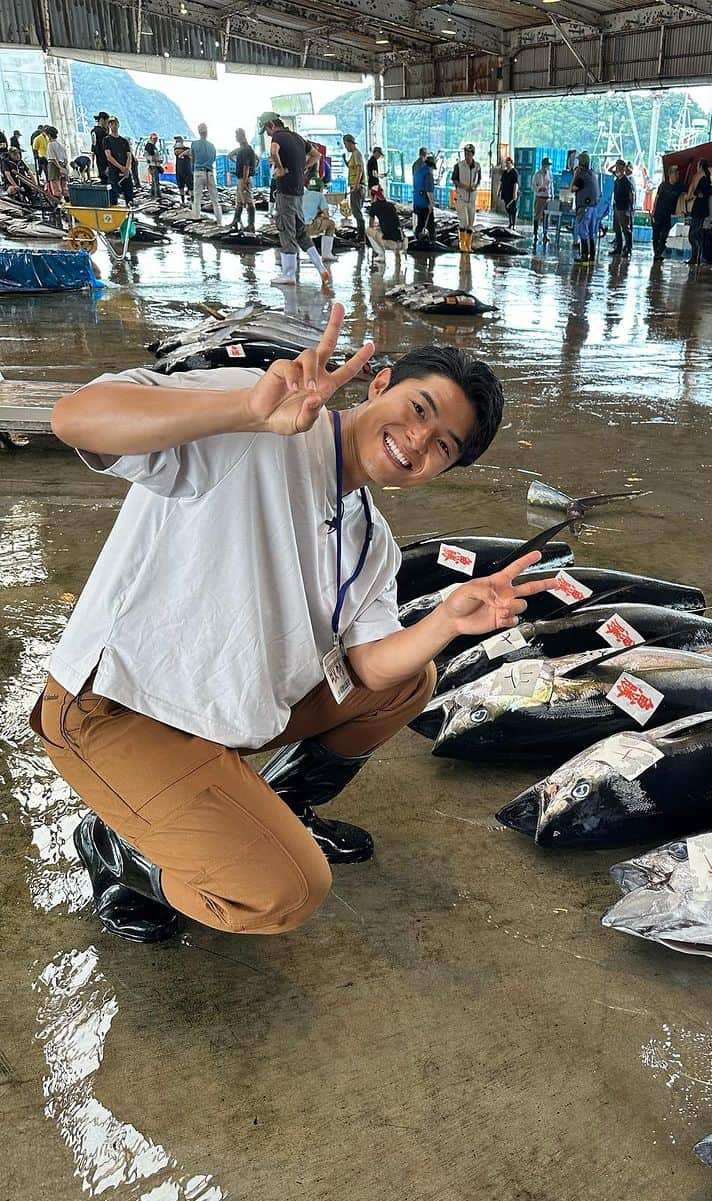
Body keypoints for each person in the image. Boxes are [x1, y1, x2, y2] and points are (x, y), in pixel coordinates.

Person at [36, 305, 543, 945]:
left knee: (410, 680)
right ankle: (119, 848)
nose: (419, 440)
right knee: (284, 893)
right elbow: (74, 418)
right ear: (380, 385)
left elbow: (366, 669)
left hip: (223, 716)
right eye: (420, 409)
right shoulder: (261, 417)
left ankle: (279, 807)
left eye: (444, 444)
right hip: (119, 710)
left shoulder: (372, 540)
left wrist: (445, 620)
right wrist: (243, 410)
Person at [262, 115, 331, 290]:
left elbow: (273, 151)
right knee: (301, 232)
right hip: (299, 191)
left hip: (285, 191)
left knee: (287, 230)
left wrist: (280, 168)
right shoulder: (298, 138)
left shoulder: (278, 137)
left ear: (272, 125)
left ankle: (289, 274)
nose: (269, 135)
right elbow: (317, 155)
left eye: (267, 130)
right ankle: (321, 268)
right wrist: (303, 168)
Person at [570, 151, 600, 263]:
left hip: (584, 207)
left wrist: (575, 175)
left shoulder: (581, 176)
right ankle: (592, 257)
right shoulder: (593, 174)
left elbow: (572, 189)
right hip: (594, 207)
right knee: (592, 232)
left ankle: (584, 257)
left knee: (583, 231)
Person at [366, 187, 405, 271]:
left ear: (374, 197)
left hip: (389, 243)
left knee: (368, 230)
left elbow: (370, 225)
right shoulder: (390, 205)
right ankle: (397, 257)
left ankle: (381, 255)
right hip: (403, 243)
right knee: (386, 230)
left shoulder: (374, 206)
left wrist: (376, 227)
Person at [451, 142, 480, 252]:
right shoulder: (459, 166)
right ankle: (462, 245)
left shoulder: (477, 166)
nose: (467, 156)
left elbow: (479, 179)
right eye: (465, 154)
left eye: (469, 154)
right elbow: (454, 180)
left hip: (472, 199)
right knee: (464, 221)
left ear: (473, 154)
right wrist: (464, 187)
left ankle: (468, 245)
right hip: (461, 198)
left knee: (471, 222)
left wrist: (475, 186)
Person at [192, 123, 222, 223]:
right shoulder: (212, 146)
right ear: (207, 132)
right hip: (210, 173)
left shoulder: (194, 144)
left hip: (198, 173)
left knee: (197, 200)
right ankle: (219, 222)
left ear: (199, 132)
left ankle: (196, 221)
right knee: (215, 200)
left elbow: (193, 158)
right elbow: (213, 159)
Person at [229, 128, 259, 231]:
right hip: (240, 179)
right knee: (239, 201)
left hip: (244, 179)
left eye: (236, 135)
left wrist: (246, 179)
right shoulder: (244, 148)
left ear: (240, 136)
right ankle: (236, 221)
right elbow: (256, 160)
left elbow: (246, 166)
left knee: (248, 201)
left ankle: (251, 225)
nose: (235, 137)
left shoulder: (245, 149)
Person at [651, 164, 682, 262]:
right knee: (656, 234)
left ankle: (659, 252)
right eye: (676, 174)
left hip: (669, 215)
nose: (677, 177)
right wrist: (653, 211)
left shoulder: (679, 187)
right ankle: (657, 252)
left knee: (664, 235)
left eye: (678, 175)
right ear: (671, 175)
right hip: (659, 213)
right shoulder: (663, 185)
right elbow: (657, 198)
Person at [688, 158, 712, 266]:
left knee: (693, 234)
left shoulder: (704, 179)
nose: (696, 167)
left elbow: (697, 192)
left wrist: (698, 193)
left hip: (699, 211)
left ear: (701, 167)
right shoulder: (705, 179)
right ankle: (695, 257)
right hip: (699, 211)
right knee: (695, 233)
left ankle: (696, 257)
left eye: (698, 165)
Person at [104, 118, 134, 206]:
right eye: (111, 124)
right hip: (114, 172)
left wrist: (127, 169)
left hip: (126, 173)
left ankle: (130, 214)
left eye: (115, 123)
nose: (114, 126)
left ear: (118, 124)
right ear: (109, 126)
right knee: (113, 198)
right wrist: (121, 167)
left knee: (129, 196)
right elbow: (109, 156)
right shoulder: (107, 140)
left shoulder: (124, 141)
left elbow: (129, 156)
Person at [611, 159, 636, 258]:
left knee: (626, 228)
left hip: (624, 207)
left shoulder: (626, 181)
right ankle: (619, 247)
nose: (617, 168)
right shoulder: (617, 179)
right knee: (616, 228)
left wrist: (629, 209)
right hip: (617, 206)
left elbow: (631, 195)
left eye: (619, 166)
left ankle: (628, 248)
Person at [342, 133, 365, 236]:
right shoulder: (353, 155)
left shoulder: (356, 154)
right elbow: (353, 168)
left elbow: (359, 169)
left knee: (356, 211)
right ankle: (360, 233)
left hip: (358, 186)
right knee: (356, 210)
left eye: (346, 145)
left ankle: (361, 235)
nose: (346, 147)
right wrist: (345, 161)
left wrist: (356, 185)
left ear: (350, 143)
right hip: (355, 185)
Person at [412, 149, 435, 242]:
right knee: (430, 225)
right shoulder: (428, 174)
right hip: (424, 202)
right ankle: (431, 242)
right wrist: (431, 203)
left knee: (420, 223)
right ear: (431, 166)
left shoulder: (418, 171)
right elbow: (429, 191)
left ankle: (417, 239)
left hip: (417, 200)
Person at [531, 155, 553, 249]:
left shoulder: (550, 174)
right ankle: (535, 234)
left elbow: (551, 186)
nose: (548, 167)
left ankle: (545, 234)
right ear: (543, 165)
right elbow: (533, 185)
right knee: (537, 216)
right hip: (540, 197)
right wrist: (539, 189)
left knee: (546, 217)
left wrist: (552, 196)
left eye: (549, 165)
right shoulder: (537, 174)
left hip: (547, 198)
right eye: (547, 165)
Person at [44, 126, 69, 202]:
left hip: (53, 167)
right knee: (64, 187)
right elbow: (65, 159)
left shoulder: (50, 145)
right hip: (62, 164)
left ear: (49, 135)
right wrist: (63, 168)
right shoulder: (60, 145)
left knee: (56, 188)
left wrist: (59, 168)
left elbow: (53, 159)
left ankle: (58, 207)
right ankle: (68, 203)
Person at [499, 156, 519, 230]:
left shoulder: (514, 172)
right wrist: (499, 191)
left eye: (508, 163)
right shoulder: (505, 172)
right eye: (506, 163)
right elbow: (501, 182)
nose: (507, 165)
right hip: (506, 193)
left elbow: (515, 183)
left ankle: (514, 224)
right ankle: (510, 223)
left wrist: (515, 193)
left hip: (512, 193)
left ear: (511, 163)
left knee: (513, 209)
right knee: (507, 208)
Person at [173, 136, 193, 206]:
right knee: (180, 186)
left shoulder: (188, 149)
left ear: (182, 141)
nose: (177, 143)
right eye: (176, 141)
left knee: (190, 186)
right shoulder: (176, 149)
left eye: (178, 141)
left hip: (187, 171)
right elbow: (176, 152)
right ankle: (183, 201)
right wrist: (183, 152)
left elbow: (190, 152)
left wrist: (183, 153)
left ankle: (192, 201)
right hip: (179, 171)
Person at [90, 112, 110, 183]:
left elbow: (93, 147)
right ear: (102, 120)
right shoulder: (103, 132)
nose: (108, 125)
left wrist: (92, 163)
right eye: (107, 122)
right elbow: (107, 148)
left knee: (103, 178)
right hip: (106, 159)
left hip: (98, 159)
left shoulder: (93, 131)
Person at [144, 132, 163, 199]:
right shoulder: (149, 146)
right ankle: (157, 195)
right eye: (154, 139)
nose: (155, 140)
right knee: (156, 181)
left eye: (156, 139)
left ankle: (152, 193)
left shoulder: (152, 146)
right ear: (151, 138)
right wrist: (159, 160)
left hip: (154, 165)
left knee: (154, 180)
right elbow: (151, 157)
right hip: (153, 165)